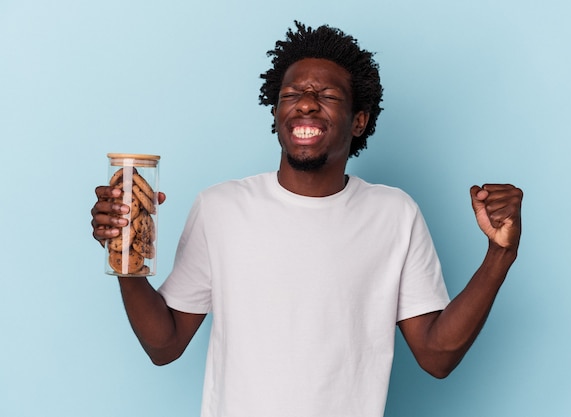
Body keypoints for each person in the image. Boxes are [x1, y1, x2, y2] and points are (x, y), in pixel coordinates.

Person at [91, 21, 523, 417]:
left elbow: (436, 356)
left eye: (329, 96)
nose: (307, 105)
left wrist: (498, 257)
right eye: (293, 94)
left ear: (359, 121)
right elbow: (164, 345)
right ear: (277, 111)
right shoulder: (220, 208)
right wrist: (124, 253)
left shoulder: (395, 214)